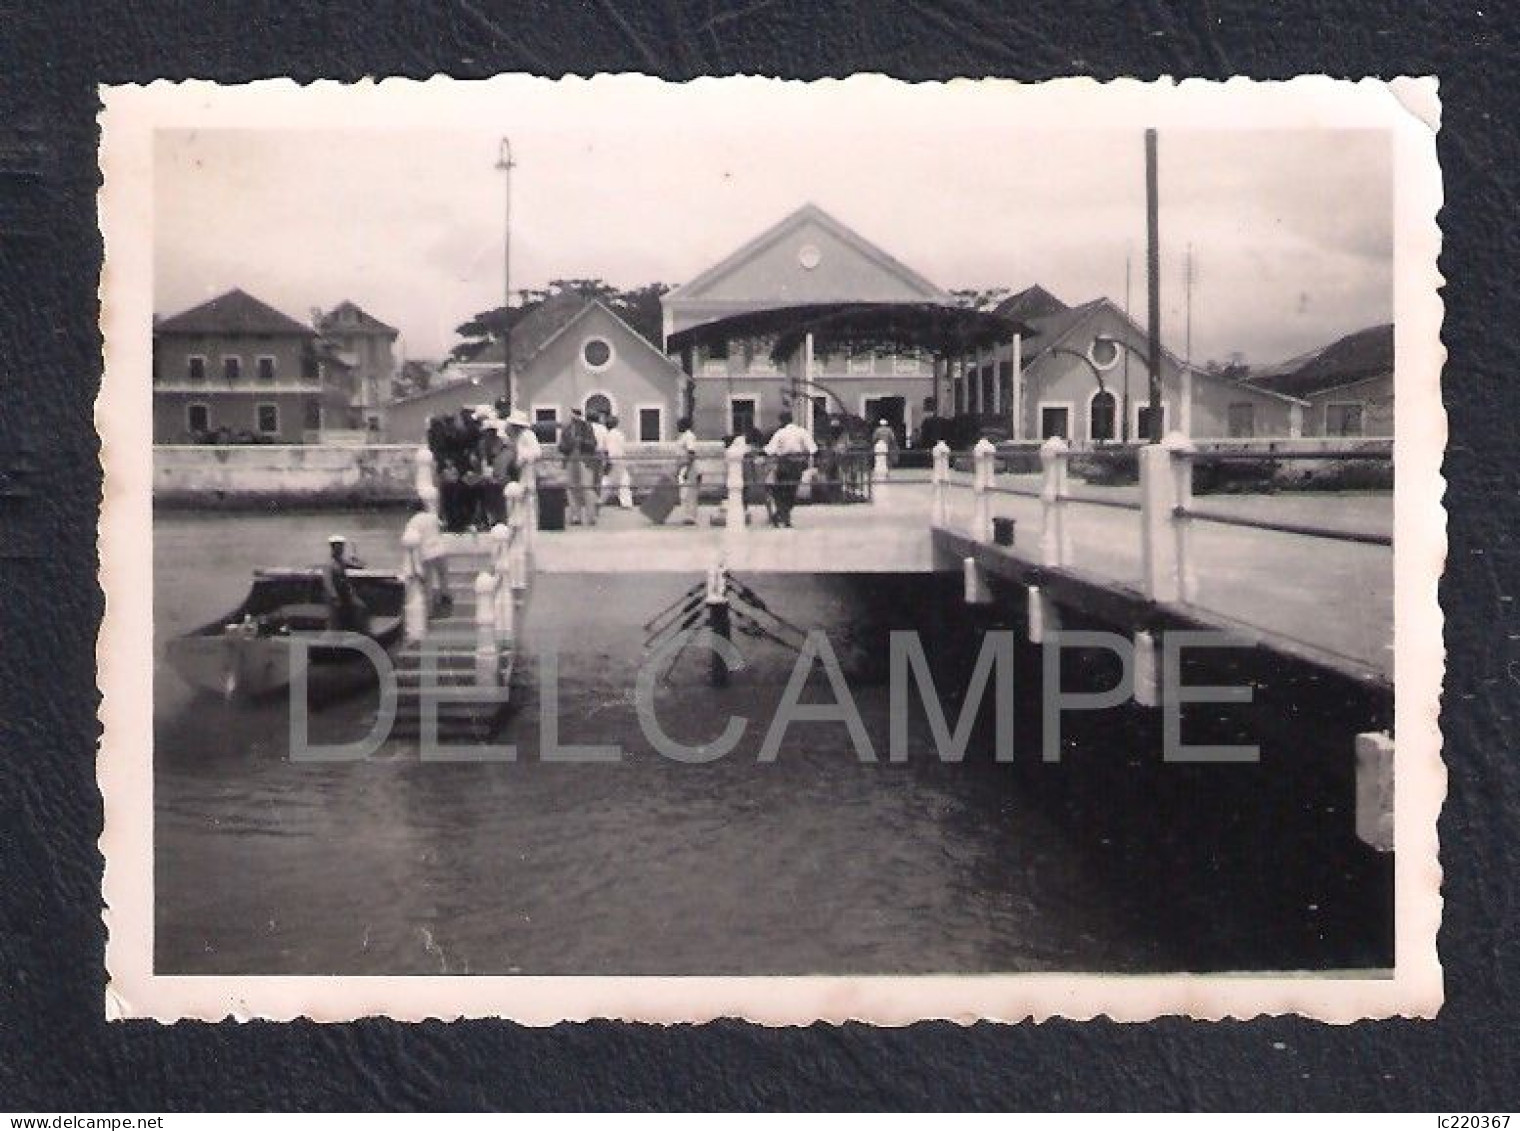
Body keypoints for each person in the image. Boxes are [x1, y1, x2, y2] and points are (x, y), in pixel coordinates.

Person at [763, 410, 817, 527]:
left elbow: (770, 450)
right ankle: (784, 516)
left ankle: (781, 515)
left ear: (782, 421)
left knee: (780, 490)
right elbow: (813, 448)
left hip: (784, 464)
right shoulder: (802, 432)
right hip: (798, 464)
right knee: (792, 490)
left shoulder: (780, 433)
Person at [401, 499, 450, 615]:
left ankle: (430, 611)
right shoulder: (432, 517)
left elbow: (408, 539)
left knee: (428, 583)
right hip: (440, 550)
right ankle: (445, 601)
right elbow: (442, 525)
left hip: (426, 553)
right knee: (443, 578)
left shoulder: (413, 521)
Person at [558, 407, 599, 526]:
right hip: (570, 459)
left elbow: (593, 444)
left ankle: (591, 516)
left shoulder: (587, 428)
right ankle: (576, 515)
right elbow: (561, 446)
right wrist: (569, 445)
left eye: (577, 414)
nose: (574, 417)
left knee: (587, 488)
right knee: (571, 488)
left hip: (584, 460)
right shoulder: (567, 429)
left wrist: (582, 442)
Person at [321, 534, 370, 632]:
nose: (340, 549)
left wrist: (355, 558)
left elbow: (361, 566)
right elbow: (328, 583)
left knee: (361, 607)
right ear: (333, 548)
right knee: (335, 620)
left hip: (345, 594)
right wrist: (335, 597)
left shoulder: (341, 561)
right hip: (335, 597)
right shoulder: (329, 564)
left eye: (341, 546)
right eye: (337, 547)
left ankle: (361, 632)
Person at [602, 414, 633, 509]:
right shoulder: (620, 434)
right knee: (623, 480)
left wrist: (608, 463)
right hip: (622, 459)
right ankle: (626, 502)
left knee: (607, 481)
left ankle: (600, 499)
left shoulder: (609, 435)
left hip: (614, 460)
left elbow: (611, 450)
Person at [674, 415, 700, 525]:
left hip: (689, 467)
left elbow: (691, 453)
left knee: (689, 492)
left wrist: (687, 469)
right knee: (684, 493)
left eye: (679, 425)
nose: (677, 427)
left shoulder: (689, 436)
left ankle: (690, 516)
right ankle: (687, 515)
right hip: (683, 466)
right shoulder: (683, 436)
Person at [588, 410, 609, 518]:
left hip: (587, 456)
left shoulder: (586, 427)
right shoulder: (603, 429)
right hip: (599, 455)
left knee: (588, 481)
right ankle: (596, 506)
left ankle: (589, 506)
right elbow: (606, 446)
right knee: (597, 481)